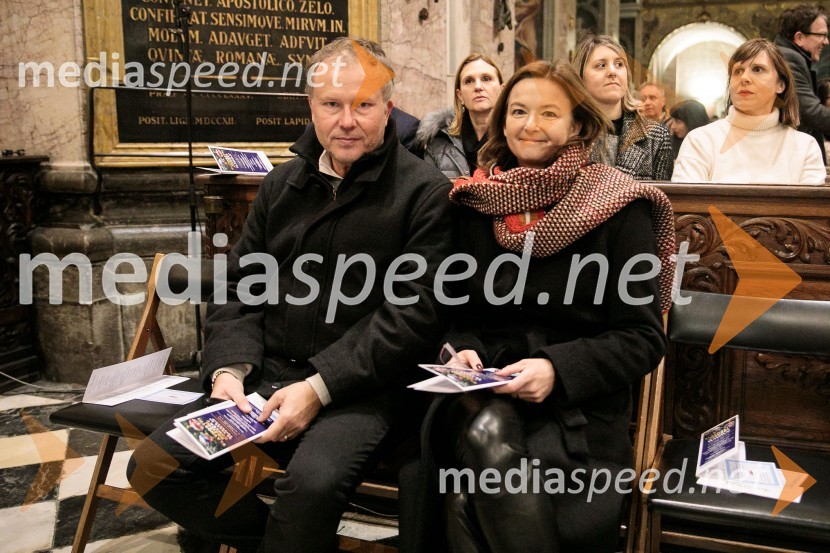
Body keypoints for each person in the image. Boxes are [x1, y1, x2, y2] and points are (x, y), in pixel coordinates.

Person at [127, 37, 453, 553]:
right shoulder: (281, 185)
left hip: (358, 390)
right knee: (153, 467)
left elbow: (412, 314)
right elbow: (240, 287)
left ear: (388, 109)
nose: (347, 120)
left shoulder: (424, 192)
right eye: (332, 104)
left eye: (364, 104)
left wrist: (319, 387)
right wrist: (229, 371)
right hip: (266, 377)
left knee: (309, 490)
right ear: (311, 107)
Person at [400, 59, 675, 553]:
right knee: (483, 431)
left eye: (550, 113)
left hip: (576, 404)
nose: (531, 125)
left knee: (465, 501)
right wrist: (460, 349)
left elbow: (643, 338)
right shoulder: (475, 204)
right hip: (481, 393)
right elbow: (457, 312)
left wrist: (556, 369)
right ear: (502, 120)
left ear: (578, 124)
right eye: (520, 111)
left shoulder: (618, 205)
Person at [673, 38, 825, 185]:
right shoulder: (700, 141)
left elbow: (808, 209)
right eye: (738, 71)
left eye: (758, 69)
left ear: (780, 85)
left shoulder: (805, 147)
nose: (744, 78)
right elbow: (686, 207)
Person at [574, 35, 673, 180]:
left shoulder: (655, 136)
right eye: (601, 65)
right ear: (581, 76)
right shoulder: (569, 133)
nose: (612, 72)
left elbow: (663, 200)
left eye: (619, 64)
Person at [417, 54, 504, 177]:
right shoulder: (440, 141)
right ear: (460, 95)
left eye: (486, 78)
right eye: (469, 81)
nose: (478, 87)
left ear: (502, 89)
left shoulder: (514, 138)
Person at [774, 5, 830, 164]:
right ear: (799, 38)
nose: (826, 42)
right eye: (822, 35)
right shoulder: (788, 58)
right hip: (788, 159)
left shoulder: (788, 55)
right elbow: (810, 112)